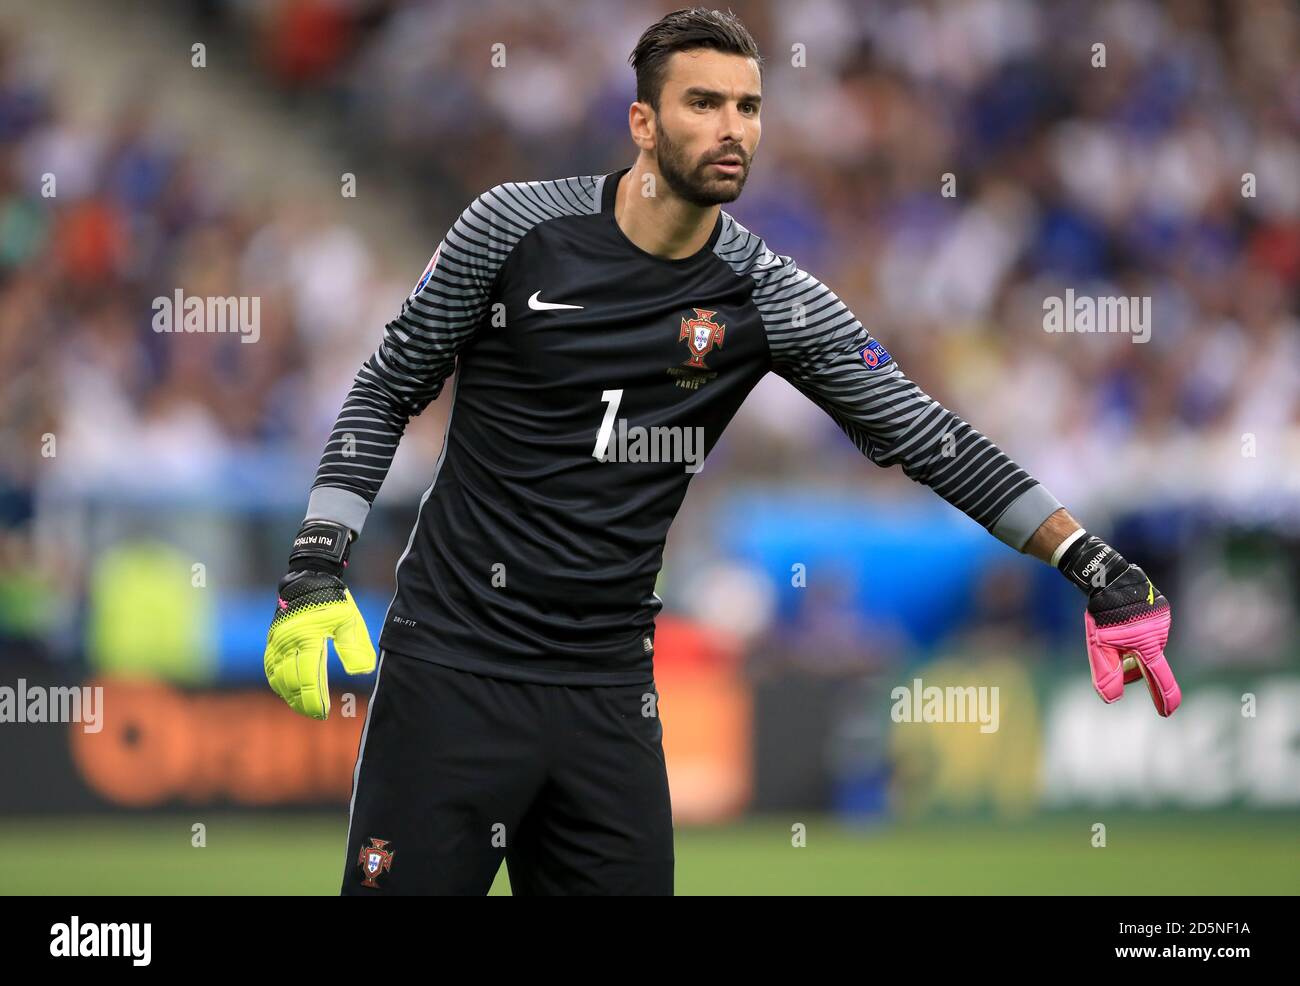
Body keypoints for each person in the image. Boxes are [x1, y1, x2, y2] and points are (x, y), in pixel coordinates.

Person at [263, 6, 1179, 896]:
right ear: (642, 121)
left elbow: (927, 436)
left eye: (748, 107)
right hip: (452, 670)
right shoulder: (512, 229)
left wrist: (1092, 561)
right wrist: (316, 565)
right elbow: (388, 386)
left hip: (608, 693)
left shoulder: (770, 298)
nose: (732, 127)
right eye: (703, 103)